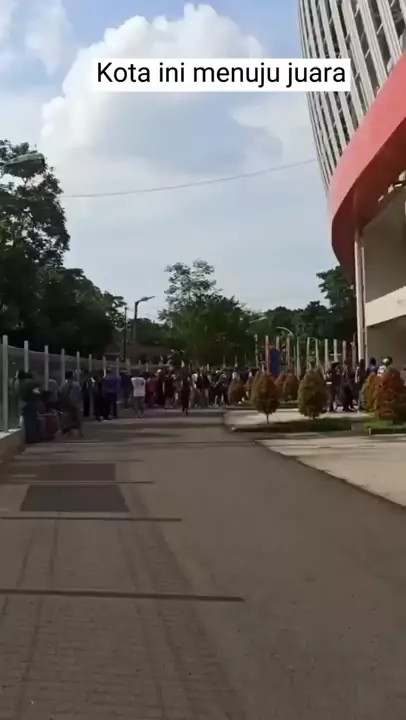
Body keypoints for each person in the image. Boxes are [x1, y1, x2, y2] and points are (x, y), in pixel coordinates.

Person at [60, 371, 83, 437]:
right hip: (75, 403)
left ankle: (69, 432)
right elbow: (79, 395)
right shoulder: (76, 385)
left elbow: (62, 394)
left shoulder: (64, 385)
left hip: (67, 403)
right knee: (78, 418)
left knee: (69, 418)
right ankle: (79, 432)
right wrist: (80, 403)